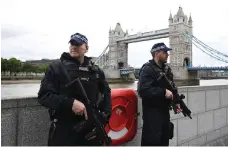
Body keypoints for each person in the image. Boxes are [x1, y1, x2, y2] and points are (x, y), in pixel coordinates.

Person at [37, 33, 112, 146]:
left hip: (91, 131)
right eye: (71, 43)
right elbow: (44, 96)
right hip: (65, 131)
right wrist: (70, 103)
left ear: (86, 48)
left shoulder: (96, 71)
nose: (73, 46)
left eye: (78, 44)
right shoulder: (56, 68)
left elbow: (106, 92)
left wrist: (105, 116)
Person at [137, 42, 182, 146]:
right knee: (152, 142)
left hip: (165, 113)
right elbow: (143, 90)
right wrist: (163, 92)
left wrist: (176, 102)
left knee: (164, 141)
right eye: (165, 52)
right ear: (157, 53)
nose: (167, 54)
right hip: (152, 115)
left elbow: (172, 88)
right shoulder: (147, 69)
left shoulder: (167, 69)